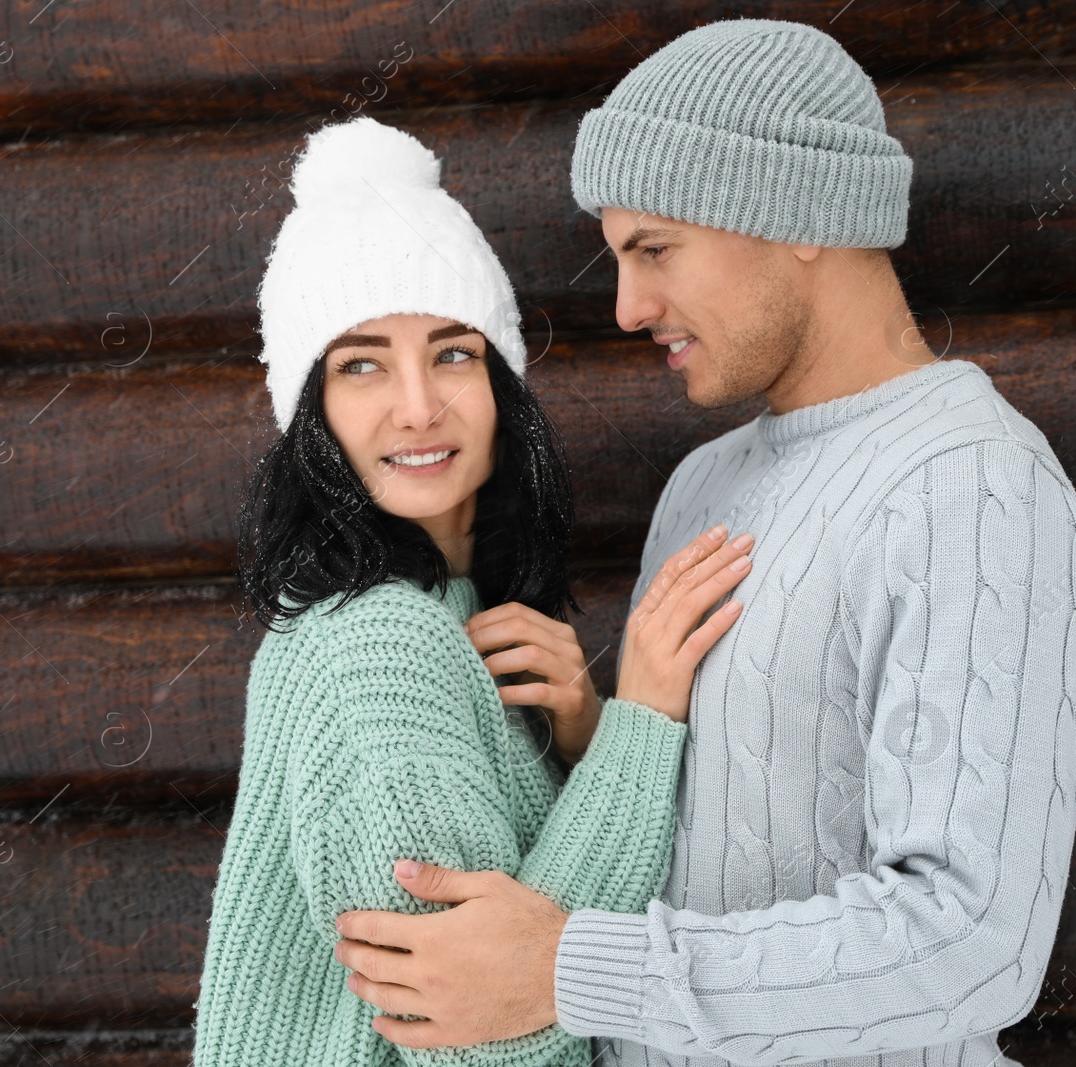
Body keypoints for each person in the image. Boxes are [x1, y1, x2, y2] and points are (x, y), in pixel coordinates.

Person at [335, 17, 1076, 1067]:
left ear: (798, 214)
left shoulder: (970, 489)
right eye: (618, 257)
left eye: (655, 248)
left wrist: (567, 968)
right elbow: (733, 831)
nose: (626, 305)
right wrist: (594, 736)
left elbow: (969, 940)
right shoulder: (706, 482)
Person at [190, 115, 756, 1067]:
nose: (419, 404)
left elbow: (524, 931)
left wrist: (581, 738)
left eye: (453, 352)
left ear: (501, 386)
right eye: (360, 363)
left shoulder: (451, 613)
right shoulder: (379, 650)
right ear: (310, 410)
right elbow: (490, 1038)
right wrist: (643, 725)